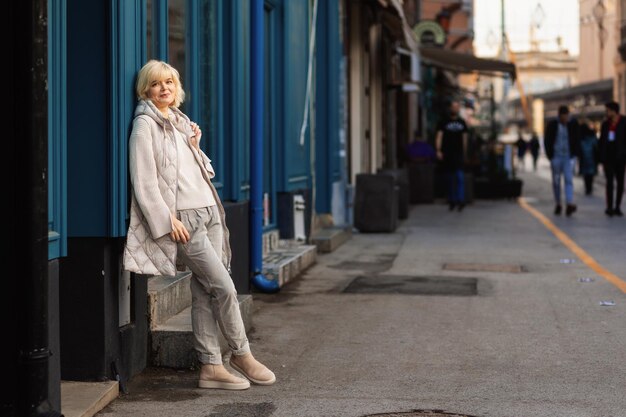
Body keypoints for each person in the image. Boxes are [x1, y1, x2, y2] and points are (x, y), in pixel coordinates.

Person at [123, 60, 275, 390]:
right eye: (155, 84)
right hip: (185, 220)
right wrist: (167, 220)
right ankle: (241, 353)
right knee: (224, 287)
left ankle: (210, 368)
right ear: (145, 90)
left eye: (169, 82)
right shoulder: (144, 127)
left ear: (177, 88)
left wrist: (194, 145)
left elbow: (203, 172)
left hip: (209, 212)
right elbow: (144, 182)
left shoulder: (180, 122)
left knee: (205, 290)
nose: (164, 88)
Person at [543, 105, 581, 216]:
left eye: (567, 116)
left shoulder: (573, 124)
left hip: (568, 157)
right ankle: (558, 203)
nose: (565, 118)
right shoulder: (552, 125)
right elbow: (547, 140)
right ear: (559, 115)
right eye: (563, 116)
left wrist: (574, 155)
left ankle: (569, 203)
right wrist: (550, 156)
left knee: (569, 180)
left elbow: (577, 139)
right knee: (556, 181)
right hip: (556, 157)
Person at [436, 101, 468, 211]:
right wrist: (439, 150)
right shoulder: (443, 122)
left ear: (458, 109)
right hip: (447, 153)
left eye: (457, 106)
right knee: (449, 179)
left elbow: (464, 138)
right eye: (453, 106)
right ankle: (452, 200)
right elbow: (439, 136)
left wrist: (464, 152)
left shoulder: (462, 122)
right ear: (450, 108)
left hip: (458, 153)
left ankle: (460, 200)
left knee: (460, 178)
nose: (455, 108)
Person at [598, 101, 626, 216]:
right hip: (608, 158)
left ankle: (617, 207)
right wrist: (601, 157)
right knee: (609, 182)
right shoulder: (605, 124)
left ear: (614, 111)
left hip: (620, 158)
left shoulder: (624, 122)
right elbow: (601, 141)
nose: (606, 113)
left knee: (620, 183)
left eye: (608, 110)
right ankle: (609, 207)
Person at [578, 119, 598, 196]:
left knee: (586, 174)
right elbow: (596, 146)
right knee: (590, 174)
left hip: (585, 158)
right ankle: (589, 188)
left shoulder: (581, 138)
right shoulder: (592, 136)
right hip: (591, 158)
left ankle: (588, 188)